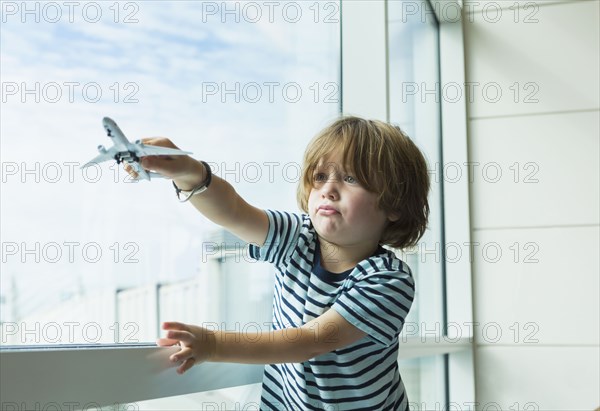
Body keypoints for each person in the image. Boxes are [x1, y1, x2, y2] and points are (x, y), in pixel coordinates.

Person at [130, 116, 430, 410]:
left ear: (394, 204)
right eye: (320, 177)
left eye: (351, 179)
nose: (328, 189)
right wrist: (188, 172)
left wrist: (212, 344)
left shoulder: (388, 280)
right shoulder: (298, 237)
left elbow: (310, 341)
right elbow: (234, 211)